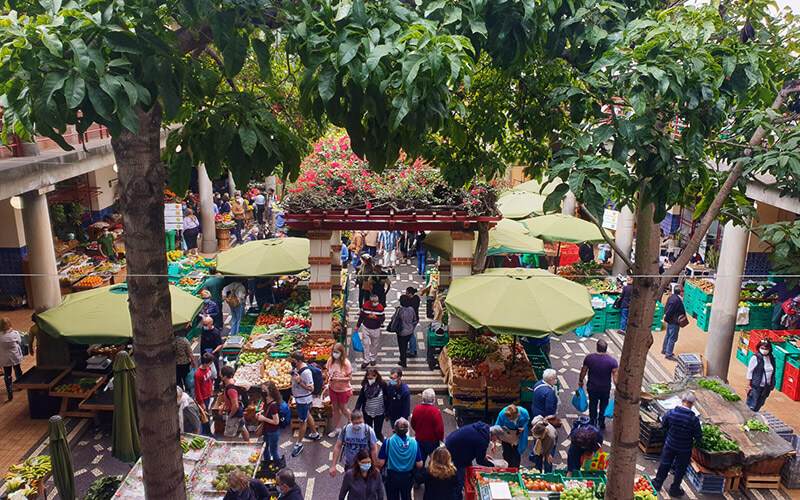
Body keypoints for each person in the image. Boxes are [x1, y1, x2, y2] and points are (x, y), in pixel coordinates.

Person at [651, 392, 703, 497]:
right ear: (692, 403)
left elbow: (664, 424)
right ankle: (674, 489)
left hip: (670, 444)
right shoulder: (693, 420)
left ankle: (657, 483)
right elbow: (698, 436)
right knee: (680, 469)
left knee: (665, 463)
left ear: (682, 400)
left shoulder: (672, 413)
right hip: (684, 448)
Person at [445, 423, 505, 500]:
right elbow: (479, 461)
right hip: (455, 450)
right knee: (460, 476)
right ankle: (456, 496)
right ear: (493, 436)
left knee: (468, 467)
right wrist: (493, 464)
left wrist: (483, 455)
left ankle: (464, 485)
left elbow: (475, 444)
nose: (495, 440)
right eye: (496, 439)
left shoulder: (483, 428)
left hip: (453, 441)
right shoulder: (483, 440)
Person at [377, 418, 423, 500]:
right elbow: (419, 464)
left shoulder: (388, 442)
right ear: (407, 430)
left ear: (394, 429)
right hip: (408, 477)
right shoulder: (414, 443)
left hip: (391, 477)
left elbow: (381, 463)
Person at [578, 339, 618, 429]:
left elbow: (584, 370)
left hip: (592, 387)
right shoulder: (612, 361)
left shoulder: (589, 358)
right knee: (604, 404)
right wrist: (617, 388)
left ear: (597, 347)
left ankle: (593, 421)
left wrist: (581, 380)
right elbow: (615, 376)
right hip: (605, 388)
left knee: (593, 403)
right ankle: (601, 421)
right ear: (606, 348)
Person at [330, 410, 379, 476]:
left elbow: (374, 449)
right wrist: (333, 465)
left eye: (360, 422)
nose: (358, 425)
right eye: (356, 423)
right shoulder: (346, 429)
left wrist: (375, 465)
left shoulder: (369, 431)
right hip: (350, 465)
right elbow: (338, 446)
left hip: (365, 466)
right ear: (351, 421)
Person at [290, 352, 320, 456]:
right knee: (307, 414)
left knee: (302, 422)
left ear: (299, 361)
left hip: (303, 400)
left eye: (293, 361)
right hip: (300, 398)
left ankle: (299, 444)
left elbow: (311, 388)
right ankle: (315, 433)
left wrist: (299, 382)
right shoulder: (297, 368)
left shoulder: (306, 373)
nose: (292, 363)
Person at [410, 388, 444, 465]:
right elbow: (439, 429)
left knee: (420, 461)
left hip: (419, 439)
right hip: (433, 441)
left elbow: (413, 423)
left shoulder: (417, 408)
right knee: (434, 463)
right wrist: (440, 439)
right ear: (432, 399)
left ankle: (419, 476)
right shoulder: (435, 411)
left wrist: (418, 431)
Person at [326, 342, 353, 438]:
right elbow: (327, 371)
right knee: (335, 409)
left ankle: (352, 423)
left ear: (341, 353)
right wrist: (329, 377)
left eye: (337, 352)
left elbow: (349, 378)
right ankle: (337, 428)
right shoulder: (330, 361)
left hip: (343, 390)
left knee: (344, 409)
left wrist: (339, 379)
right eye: (333, 352)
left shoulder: (346, 363)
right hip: (333, 389)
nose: (335, 354)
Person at [355, 367, 389, 442]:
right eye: (369, 378)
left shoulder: (382, 385)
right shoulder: (365, 386)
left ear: (376, 376)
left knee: (378, 432)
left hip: (379, 412)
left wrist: (387, 413)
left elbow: (387, 398)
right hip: (367, 412)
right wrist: (356, 410)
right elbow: (360, 399)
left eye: (372, 377)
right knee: (368, 432)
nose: (370, 380)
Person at [257, 381, 283, 467]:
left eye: (265, 390)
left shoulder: (273, 406)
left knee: (273, 450)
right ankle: (267, 463)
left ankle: (277, 465)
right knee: (265, 447)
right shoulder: (267, 401)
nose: (263, 391)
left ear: (270, 391)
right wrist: (261, 412)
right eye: (262, 389)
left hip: (273, 432)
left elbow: (276, 421)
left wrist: (263, 418)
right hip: (267, 430)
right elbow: (267, 410)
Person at [495, 404, 530, 468]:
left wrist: (523, 427)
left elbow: (527, 420)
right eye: (510, 419)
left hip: (518, 433)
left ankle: (516, 468)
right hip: (507, 433)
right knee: (506, 452)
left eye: (513, 419)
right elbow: (497, 426)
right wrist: (494, 441)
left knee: (516, 452)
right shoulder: (502, 414)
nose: (512, 420)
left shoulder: (524, 412)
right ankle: (508, 467)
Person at [221, 365, 250, 441]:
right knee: (242, 427)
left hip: (235, 413)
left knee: (228, 434)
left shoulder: (231, 390)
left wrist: (229, 416)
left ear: (224, 376)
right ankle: (248, 443)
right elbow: (228, 398)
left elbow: (235, 405)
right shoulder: (233, 382)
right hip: (239, 411)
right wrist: (223, 407)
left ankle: (227, 450)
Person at [746, 339, 776, 411]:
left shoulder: (771, 358)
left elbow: (773, 371)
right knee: (752, 404)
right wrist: (748, 385)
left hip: (766, 387)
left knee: (760, 403)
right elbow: (749, 372)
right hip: (756, 386)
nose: (764, 350)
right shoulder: (756, 358)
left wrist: (772, 383)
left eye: (766, 349)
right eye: (762, 348)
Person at [357, 294, 385, 370]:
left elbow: (382, 319)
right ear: (370, 301)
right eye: (374, 302)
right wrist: (357, 326)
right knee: (365, 344)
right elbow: (361, 316)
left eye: (377, 301)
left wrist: (376, 318)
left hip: (376, 328)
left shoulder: (380, 307)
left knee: (375, 344)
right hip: (366, 327)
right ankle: (366, 360)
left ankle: (373, 358)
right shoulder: (365, 306)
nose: (376, 303)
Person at [0, 318, 24, 401]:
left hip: (4, 356)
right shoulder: (14, 333)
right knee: (17, 370)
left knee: (7, 373)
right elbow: (20, 342)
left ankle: (9, 390)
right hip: (15, 354)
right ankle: (20, 385)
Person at [663, 285, 686, 360]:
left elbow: (667, 307)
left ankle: (665, 349)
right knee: (672, 337)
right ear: (680, 292)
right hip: (674, 321)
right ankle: (668, 354)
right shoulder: (676, 300)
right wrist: (667, 317)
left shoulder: (672, 297)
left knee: (668, 335)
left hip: (671, 320)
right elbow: (670, 310)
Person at [395, 296, 416, 367]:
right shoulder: (411, 309)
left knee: (402, 347)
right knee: (406, 344)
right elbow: (414, 318)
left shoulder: (400, 310)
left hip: (401, 331)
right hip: (410, 330)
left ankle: (403, 361)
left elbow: (394, 319)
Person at [405, 287, 424, 357]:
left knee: (411, 335)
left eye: (406, 292)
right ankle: (412, 349)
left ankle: (412, 351)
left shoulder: (409, 302)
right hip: (416, 319)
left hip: (411, 320)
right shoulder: (416, 298)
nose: (405, 294)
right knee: (411, 334)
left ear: (410, 294)